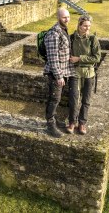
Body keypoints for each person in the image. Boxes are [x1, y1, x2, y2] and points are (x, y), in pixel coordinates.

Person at [43, 8, 76, 138]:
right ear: (58, 18)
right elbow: (52, 57)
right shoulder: (53, 34)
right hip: (55, 73)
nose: (67, 19)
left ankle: (55, 119)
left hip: (63, 71)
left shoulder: (63, 30)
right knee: (54, 99)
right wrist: (58, 76)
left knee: (56, 98)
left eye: (68, 17)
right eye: (64, 17)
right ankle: (50, 125)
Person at [66, 14, 101, 135]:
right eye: (85, 26)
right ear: (79, 25)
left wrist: (79, 58)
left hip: (89, 73)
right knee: (74, 99)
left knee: (86, 100)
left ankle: (82, 123)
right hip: (75, 73)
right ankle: (72, 122)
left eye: (89, 26)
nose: (87, 28)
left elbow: (97, 57)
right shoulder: (71, 38)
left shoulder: (92, 39)